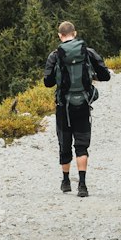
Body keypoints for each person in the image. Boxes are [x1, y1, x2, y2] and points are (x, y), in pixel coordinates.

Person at [43, 20, 111, 197]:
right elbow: (105, 76)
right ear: (75, 33)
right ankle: (82, 185)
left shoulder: (54, 55)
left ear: (60, 35)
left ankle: (66, 181)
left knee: (64, 143)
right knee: (81, 145)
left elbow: (47, 82)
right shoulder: (88, 52)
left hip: (63, 106)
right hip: (82, 104)